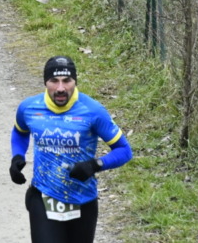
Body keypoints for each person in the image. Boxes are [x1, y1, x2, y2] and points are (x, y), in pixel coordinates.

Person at [10, 56, 132, 243]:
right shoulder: (29, 108)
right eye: (54, 81)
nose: (60, 88)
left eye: (67, 81)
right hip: (43, 196)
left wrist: (95, 164)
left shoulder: (92, 111)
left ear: (75, 81)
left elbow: (124, 150)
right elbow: (20, 132)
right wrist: (17, 156)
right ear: (45, 82)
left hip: (83, 199)